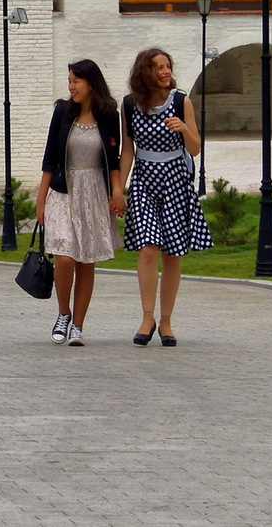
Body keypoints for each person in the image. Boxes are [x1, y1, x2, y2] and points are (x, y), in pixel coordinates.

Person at [122, 47, 212, 346]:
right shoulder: (130, 105)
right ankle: (147, 317)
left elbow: (196, 148)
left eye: (168, 66)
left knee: (173, 253)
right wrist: (118, 191)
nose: (165, 72)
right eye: (159, 67)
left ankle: (167, 322)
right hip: (145, 180)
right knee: (148, 248)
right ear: (144, 72)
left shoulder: (180, 100)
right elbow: (127, 151)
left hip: (175, 179)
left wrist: (185, 129)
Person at [36, 58, 124, 347]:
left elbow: (114, 159)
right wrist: (40, 200)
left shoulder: (109, 113)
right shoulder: (62, 112)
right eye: (70, 80)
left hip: (94, 192)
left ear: (91, 83)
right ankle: (63, 312)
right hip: (63, 191)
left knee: (86, 261)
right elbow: (49, 158)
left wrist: (117, 192)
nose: (71, 86)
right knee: (64, 256)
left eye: (76, 80)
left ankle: (78, 326)